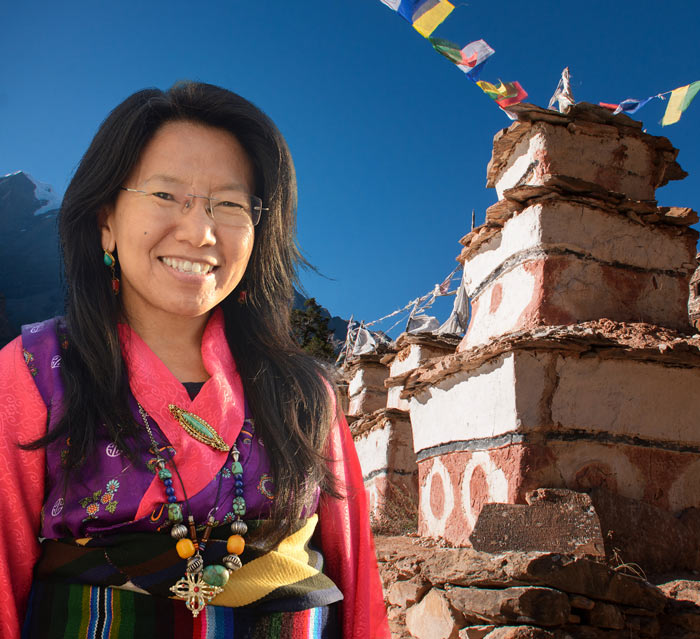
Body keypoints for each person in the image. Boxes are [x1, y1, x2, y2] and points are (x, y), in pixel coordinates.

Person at [0, 82, 390, 639]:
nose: (201, 231)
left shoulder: (305, 394)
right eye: (165, 195)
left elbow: (360, 597)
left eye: (229, 204)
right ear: (106, 218)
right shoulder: (35, 373)